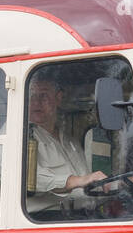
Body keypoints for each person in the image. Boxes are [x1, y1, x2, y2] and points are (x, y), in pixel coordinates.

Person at [27, 77, 106, 208]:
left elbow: (87, 181)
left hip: (81, 215)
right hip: (43, 220)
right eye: (31, 96)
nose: (36, 102)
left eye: (43, 95)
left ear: (58, 98)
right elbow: (23, 179)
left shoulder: (70, 141)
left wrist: (121, 182)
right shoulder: (18, 132)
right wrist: (77, 181)